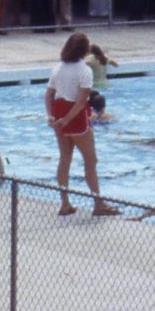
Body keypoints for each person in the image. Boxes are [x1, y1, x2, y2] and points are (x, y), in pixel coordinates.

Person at [46, 32, 120, 215]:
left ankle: (64, 203)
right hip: (75, 116)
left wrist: (51, 116)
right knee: (91, 160)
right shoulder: (84, 70)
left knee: (64, 159)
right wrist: (68, 119)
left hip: (59, 111)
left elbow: (48, 95)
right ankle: (98, 203)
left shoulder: (57, 68)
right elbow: (81, 101)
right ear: (84, 49)